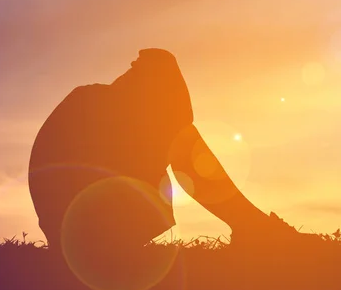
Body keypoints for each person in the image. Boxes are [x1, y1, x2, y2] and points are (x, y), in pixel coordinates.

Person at [28, 48, 309, 262]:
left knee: (181, 138)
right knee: (183, 141)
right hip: (85, 234)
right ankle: (253, 227)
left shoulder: (101, 103)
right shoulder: (97, 106)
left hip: (77, 233)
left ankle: (252, 226)